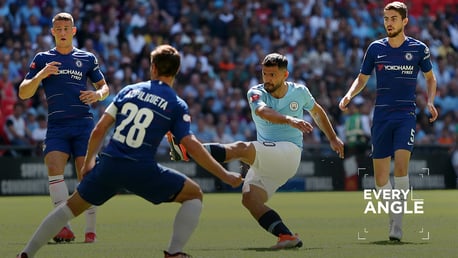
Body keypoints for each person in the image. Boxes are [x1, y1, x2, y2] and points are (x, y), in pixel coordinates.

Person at [17, 44, 243, 258]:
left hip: (110, 164)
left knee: (69, 208)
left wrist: (88, 163)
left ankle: (26, 252)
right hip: (141, 168)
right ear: (177, 71)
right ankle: (174, 252)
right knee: (194, 195)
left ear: (152, 67)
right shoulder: (176, 103)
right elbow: (191, 146)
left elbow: (99, 130)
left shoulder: (128, 91)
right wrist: (225, 175)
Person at [200, 53, 344, 249]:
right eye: (265, 74)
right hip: (268, 160)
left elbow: (317, 112)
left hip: (289, 152)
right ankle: (286, 236)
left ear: (285, 75)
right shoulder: (255, 92)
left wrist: (333, 138)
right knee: (250, 199)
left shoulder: (300, 92)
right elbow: (262, 112)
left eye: (272, 75)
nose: (267, 79)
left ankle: (188, 150)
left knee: (242, 148)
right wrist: (289, 119)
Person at [338, 1, 438, 241]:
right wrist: (350, 94)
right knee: (381, 179)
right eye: (386, 18)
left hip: (406, 114)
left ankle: (397, 225)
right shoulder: (374, 48)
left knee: (401, 168)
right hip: (381, 116)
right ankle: (393, 217)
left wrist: (431, 101)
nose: (388, 23)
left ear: (405, 21)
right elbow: (361, 79)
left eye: (393, 18)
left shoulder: (418, 48)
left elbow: (430, 78)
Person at [18, 12, 110, 243]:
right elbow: (23, 92)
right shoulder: (42, 59)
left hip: (83, 124)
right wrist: (40, 75)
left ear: (73, 31)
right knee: (53, 166)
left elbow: (105, 87)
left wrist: (97, 94)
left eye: (66, 28)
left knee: (86, 175)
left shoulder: (87, 58)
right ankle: (64, 227)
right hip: (57, 124)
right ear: (52, 32)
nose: (62, 32)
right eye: (58, 29)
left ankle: (91, 230)